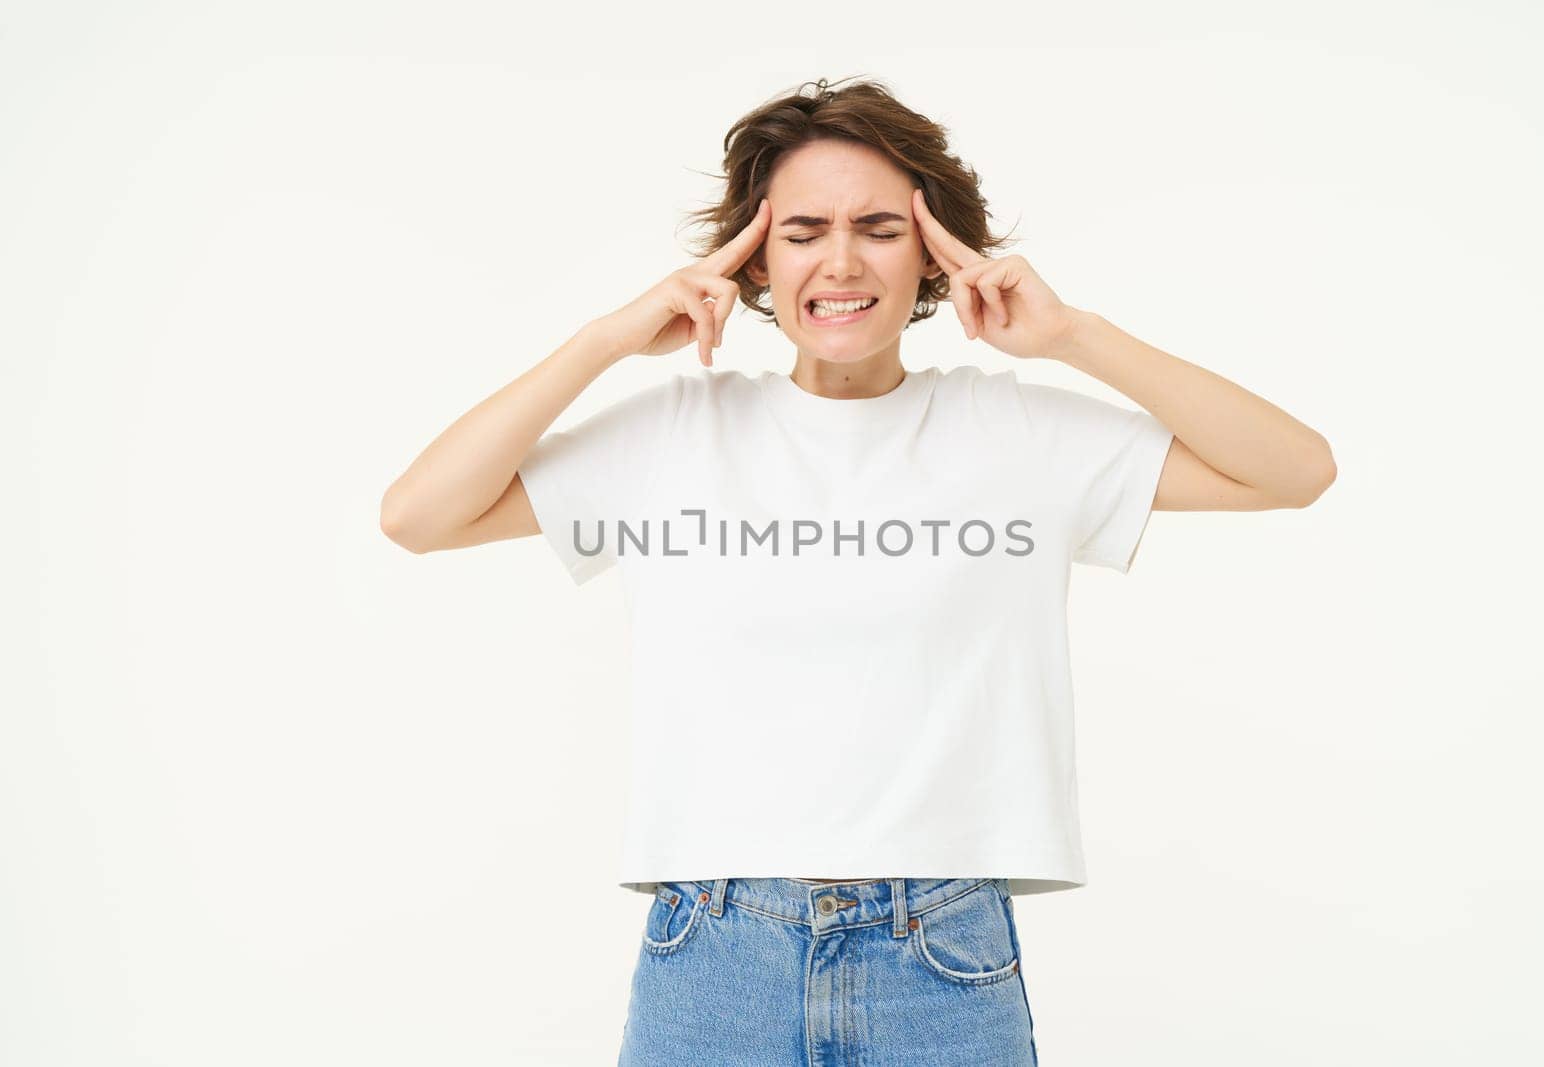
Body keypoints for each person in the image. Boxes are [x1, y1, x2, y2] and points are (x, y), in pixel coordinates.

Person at [380, 75, 1335, 1066]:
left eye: (879, 227)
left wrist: (1070, 336)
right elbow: (417, 514)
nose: (840, 260)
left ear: (932, 249)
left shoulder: (1012, 431)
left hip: (940, 952)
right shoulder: (668, 435)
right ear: (751, 258)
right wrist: (603, 342)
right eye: (801, 231)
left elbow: (1294, 468)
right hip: (713, 948)